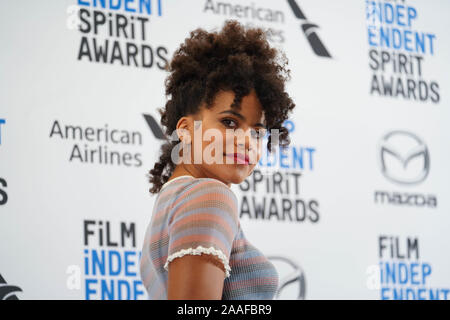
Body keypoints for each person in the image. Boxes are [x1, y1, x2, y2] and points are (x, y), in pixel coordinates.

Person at [139, 19, 296, 300]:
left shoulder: (175, 199)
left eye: (258, 133)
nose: (247, 141)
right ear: (185, 130)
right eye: (230, 122)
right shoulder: (210, 196)